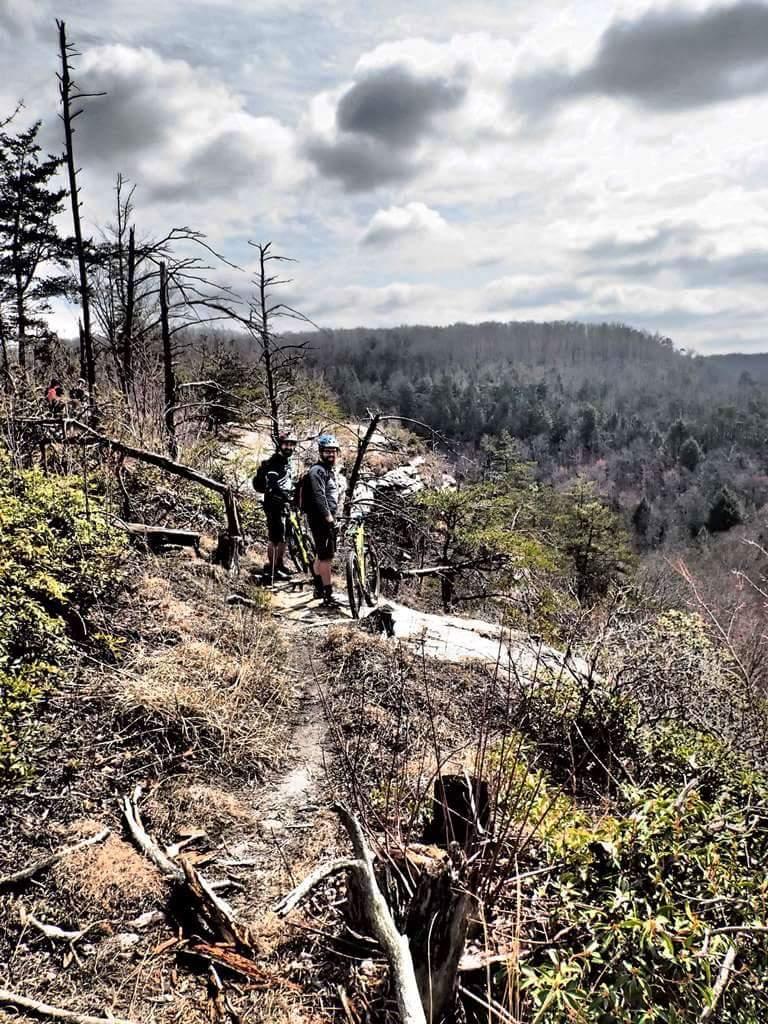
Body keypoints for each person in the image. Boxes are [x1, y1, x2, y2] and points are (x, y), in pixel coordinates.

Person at [253, 430, 297, 582]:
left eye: (292, 445)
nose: (289, 447)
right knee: (275, 538)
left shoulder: (287, 462)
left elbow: (288, 482)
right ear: (280, 445)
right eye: (286, 444)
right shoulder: (275, 462)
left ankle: (280, 565)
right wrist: (284, 496)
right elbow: (273, 484)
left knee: (284, 536)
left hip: (284, 504)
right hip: (273, 504)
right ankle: (273, 569)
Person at [305, 433, 341, 608]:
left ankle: (318, 587)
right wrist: (328, 517)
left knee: (321, 555)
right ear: (321, 452)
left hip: (324, 517)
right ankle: (328, 594)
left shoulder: (327, 470)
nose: (331, 454)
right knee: (326, 557)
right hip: (321, 518)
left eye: (333, 451)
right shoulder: (317, 471)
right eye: (327, 451)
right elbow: (319, 496)